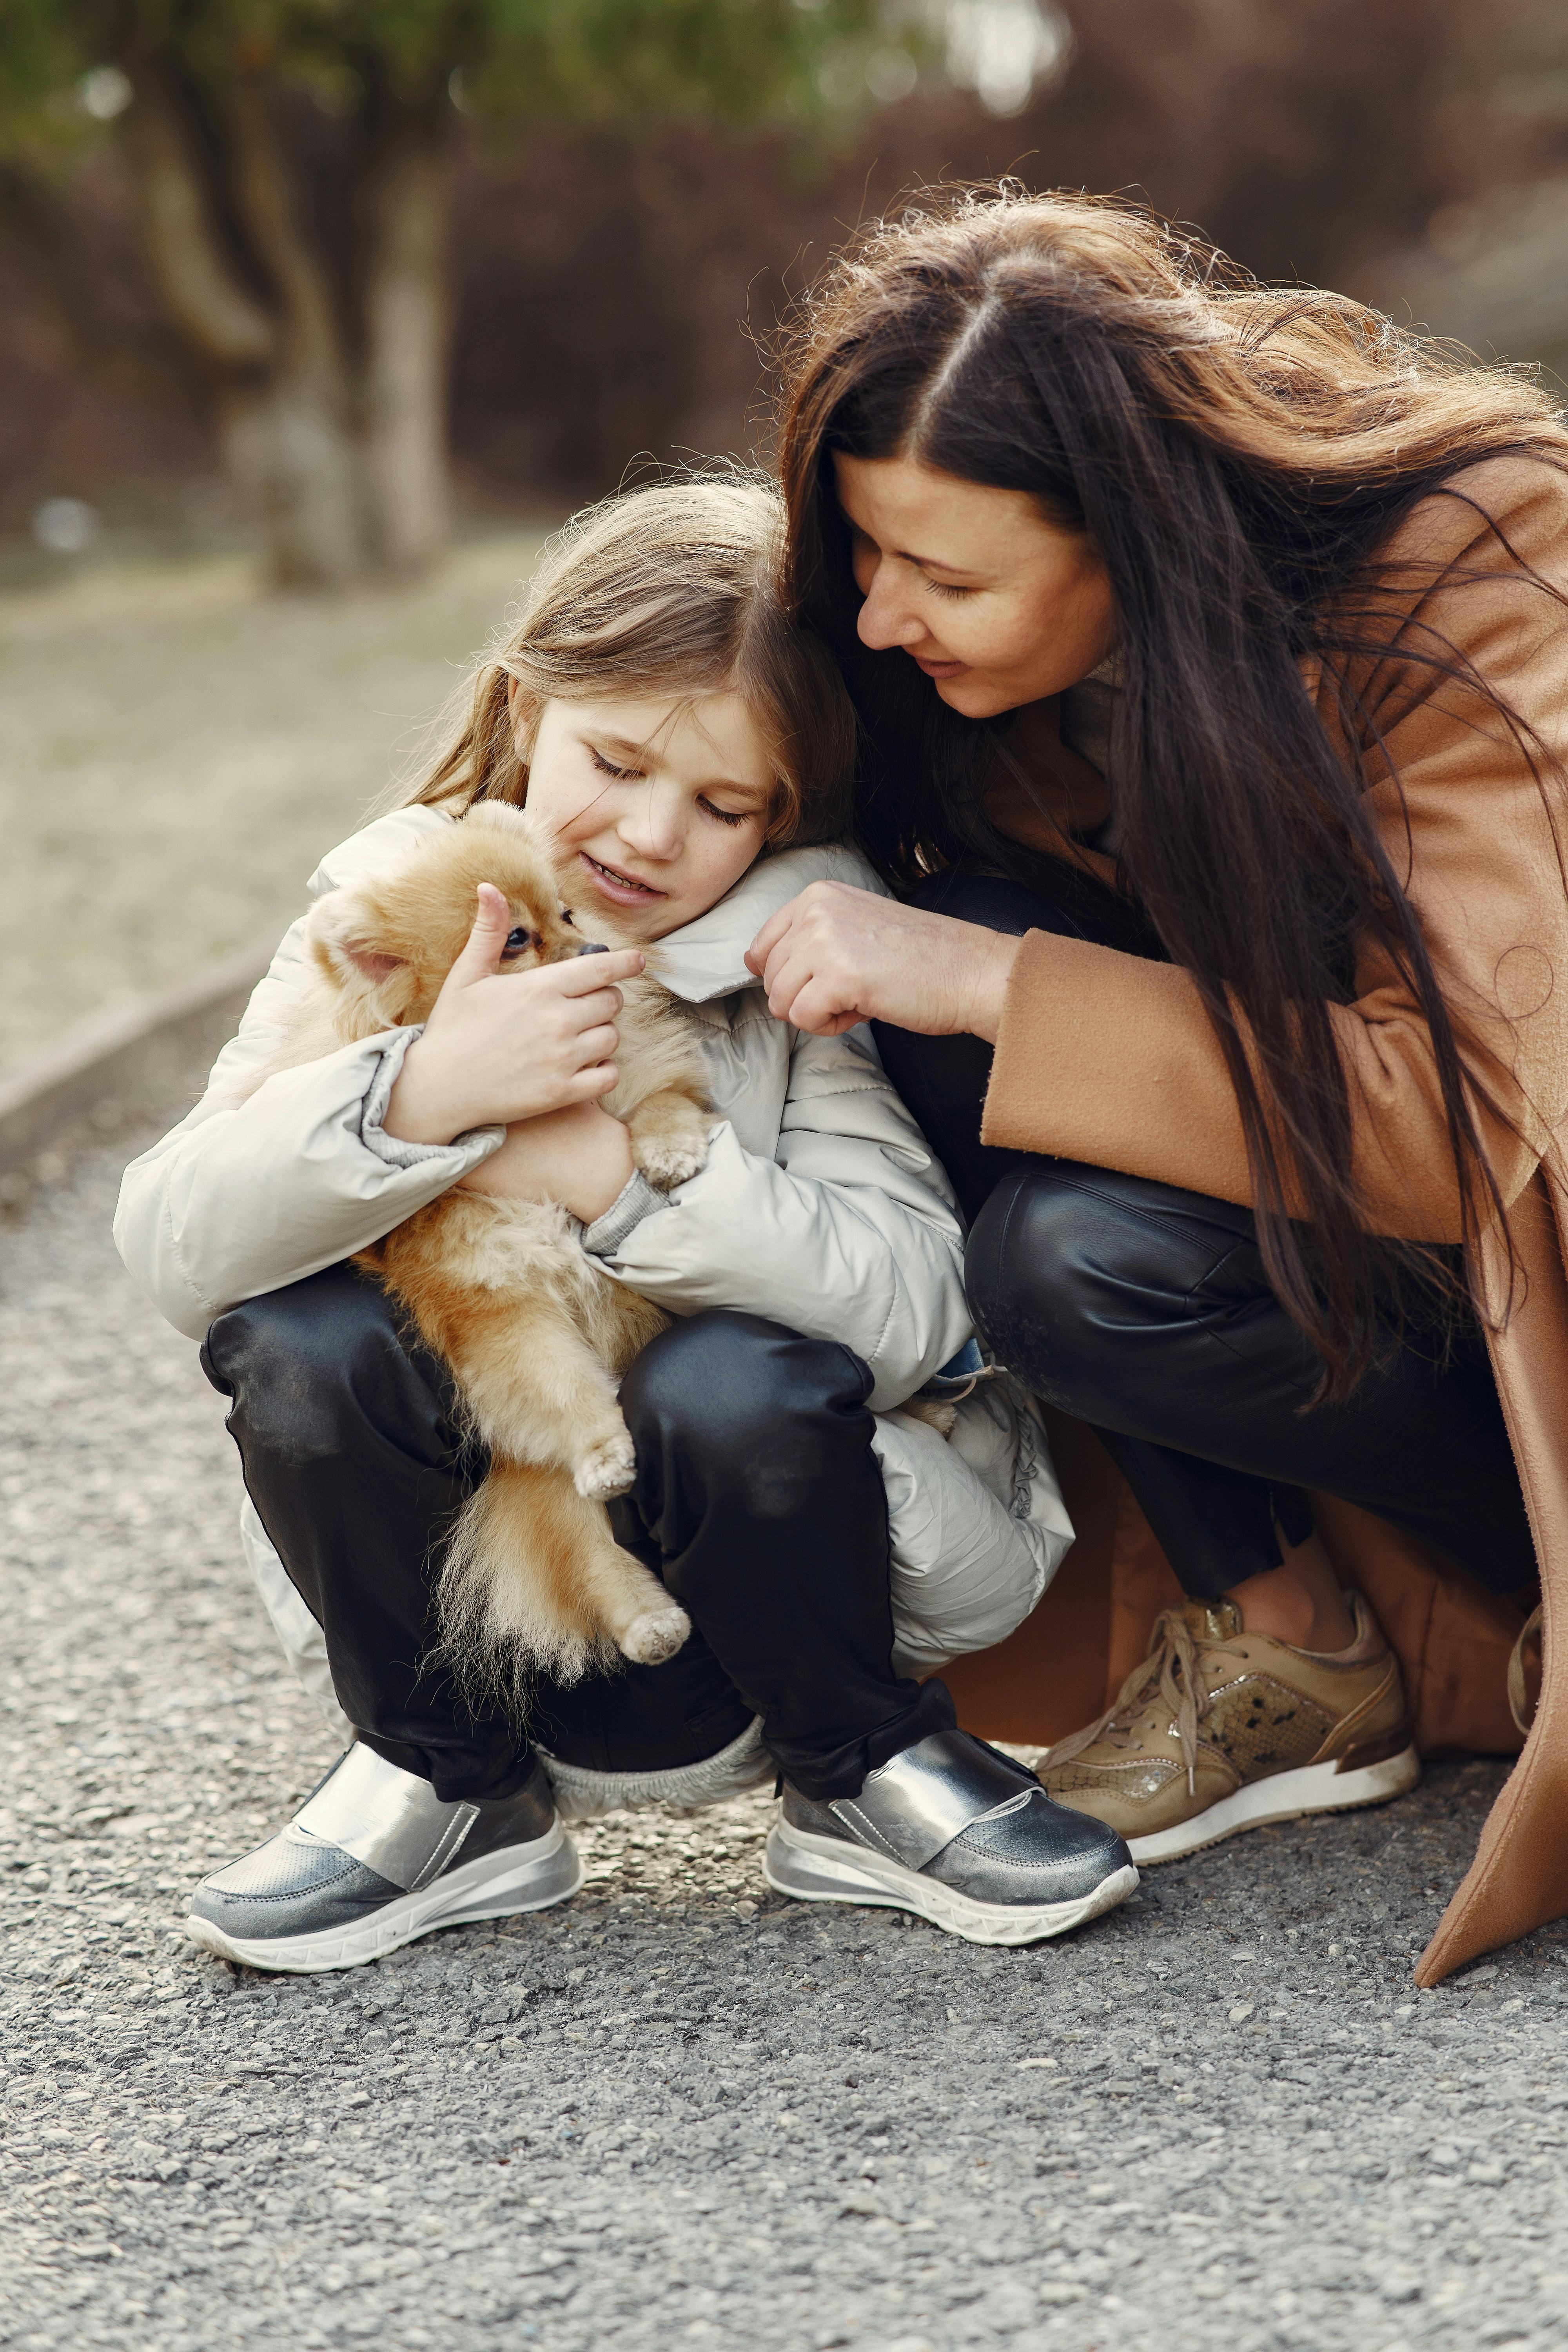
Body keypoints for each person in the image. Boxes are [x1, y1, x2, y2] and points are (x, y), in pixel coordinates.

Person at [114, 477, 1136, 1973]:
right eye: (617, 762)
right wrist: (415, 1097)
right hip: (470, 1597)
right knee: (299, 1333)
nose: (652, 838)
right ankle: (443, 1785)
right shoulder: (388, 902)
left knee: (726, 1373)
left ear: (787, 816)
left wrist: (618, 1178)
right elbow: (170, 1246)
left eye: (727, 806)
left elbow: (921, 1304)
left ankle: (862, 1771)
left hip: (778, 1599)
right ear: (528, 706)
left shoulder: (806, 955)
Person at [748, 190, 1568, 1984]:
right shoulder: (934, 673)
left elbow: (1474, 1128)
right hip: (1293, 1250)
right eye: (864, 559)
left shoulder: (1471, 556)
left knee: (1053, 1209)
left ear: (1132, 534)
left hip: (1502, 1293)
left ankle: (1519, 1593)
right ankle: (1289, 1637)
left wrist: (992, 984)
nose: (883, 620)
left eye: (947, 578)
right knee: (888, 940)